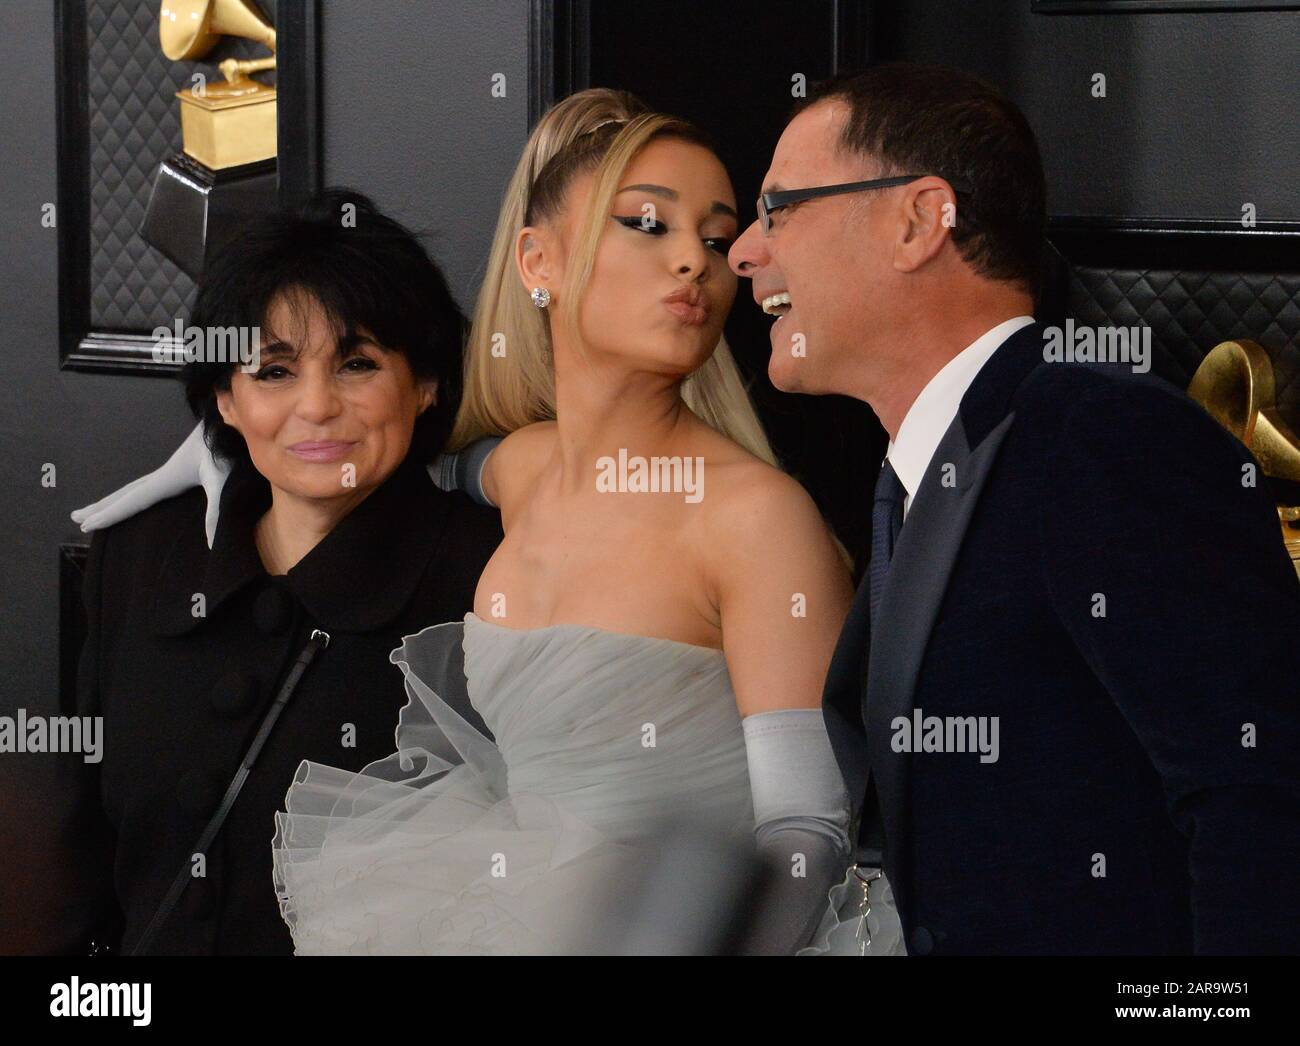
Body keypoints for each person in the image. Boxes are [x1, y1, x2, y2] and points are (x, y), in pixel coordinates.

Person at [73, 90, 879, 955]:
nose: (695, 262)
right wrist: (222, 440)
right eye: (649, 223)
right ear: (539, 261)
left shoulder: (758, 519)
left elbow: (807, 832)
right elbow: (391, 441)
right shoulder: (524, 467)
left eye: (718, 240)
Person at [727, 62, 1300, 954]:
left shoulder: (1106, 440)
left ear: (919, 220)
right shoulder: (910, 477)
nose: (744, 252)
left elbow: (1257, 798)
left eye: (779, 208)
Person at [52, 189, 502, 954]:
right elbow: (83, 855)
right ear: (224, 400)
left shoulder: (491, 575)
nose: (317, 406)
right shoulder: (140, 557)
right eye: (273, 371)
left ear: (425, 384)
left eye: (357, 363)